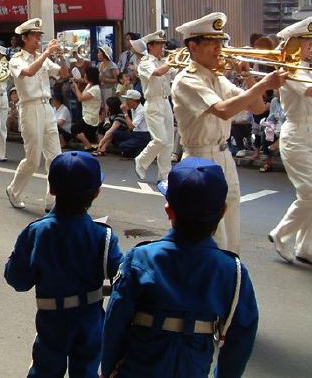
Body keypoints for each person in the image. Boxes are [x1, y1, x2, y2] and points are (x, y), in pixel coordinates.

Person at [102, 157, 259, 377]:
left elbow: (114, 325)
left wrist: (108, 370)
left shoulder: (139, 258)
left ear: (169, 210)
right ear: (223, 211)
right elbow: (241, 338)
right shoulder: (233, 271)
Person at [171, 12, 286, 254]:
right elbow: (223, 111)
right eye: (212, 43)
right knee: (212, 235)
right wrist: (264, 84)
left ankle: (230, 275)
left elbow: (258, 107)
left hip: (224, 157)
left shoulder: (219, 78)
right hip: (199, 159)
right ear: (193, 46)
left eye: (220, 43)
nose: (219, 49)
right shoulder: (186, 80)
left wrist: (248, 75)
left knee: (232, 228)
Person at [5, 151, 121, 378]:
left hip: (52, 320)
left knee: (45, 370)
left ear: (52, 189)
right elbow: (121, 279)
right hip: (90, 320)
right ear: (97, 193)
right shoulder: (103, 236)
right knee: (87, 370)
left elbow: (17, 280)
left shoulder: (36, 232)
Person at [268, 17, 312, 266]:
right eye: (307, 42)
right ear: (294, 43)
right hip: (295, 132)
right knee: (311, 194)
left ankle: (307, 247)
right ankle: (281, 234)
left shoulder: (307, 68)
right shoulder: (290, 70)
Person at [5, 18, 69, 211]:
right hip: (29, 108)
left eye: (39, 35)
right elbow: (29, 72)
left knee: (56, 158)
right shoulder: (16, 60)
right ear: (24, 38)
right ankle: (13, 190)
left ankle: (52, 201)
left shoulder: (44, 57)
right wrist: (48, 53)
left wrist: (63, 56)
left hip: (47, 108)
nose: (38, 39)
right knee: (33, 159)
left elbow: (63, 74)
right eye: (34, 35)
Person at [135, 30, 175, 182]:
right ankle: (141, 160)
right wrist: (171, 62)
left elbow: (175, 73)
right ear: (151, 46)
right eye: (160, 45)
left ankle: (164, 175)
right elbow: (157, 73)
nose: (163, 48)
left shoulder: (164, 61)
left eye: (163, 45)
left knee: (169, 142)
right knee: (160, 139)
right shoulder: (145, 63)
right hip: (153, 102)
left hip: (166, 101)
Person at [109, 90, 151, 157]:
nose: (126, 102)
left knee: (123, 146)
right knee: (115, 133)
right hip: (134, 133)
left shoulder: (142, 110)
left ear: (133, 100)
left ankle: (139, 150)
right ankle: (131, 150)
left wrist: (125, 113)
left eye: (127, 100)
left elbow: (131, 126)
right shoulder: (132, 109)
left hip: (143, 135)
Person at [70, 66, 103, 151]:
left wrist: (76, 87)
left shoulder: (95, 89)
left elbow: (80, 98)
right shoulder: (89, 85)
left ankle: (88, 145)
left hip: (91, 116)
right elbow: (80, 96)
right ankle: (89, 144)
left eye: (85, 75)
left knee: (75, 129)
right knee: (79, 130)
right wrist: (74, 88)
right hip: (86, 113)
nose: (84, 77)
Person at [97, 44, 118, 109]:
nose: (98, 54)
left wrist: (105, 79)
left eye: (99, 52)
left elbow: (117, 79)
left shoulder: (112, 65)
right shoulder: (99, 64)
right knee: (102, 107)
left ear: (104, 54)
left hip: (109, 90)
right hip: (101, 89)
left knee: (108, 107)